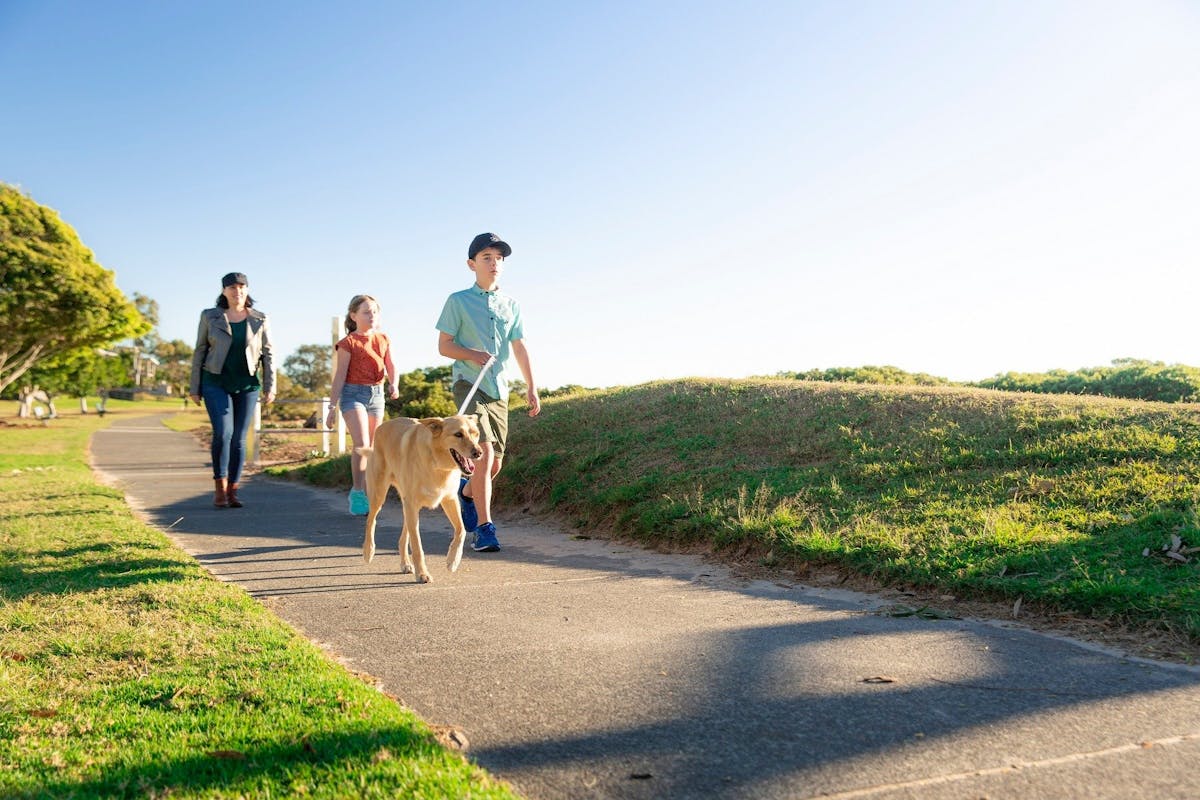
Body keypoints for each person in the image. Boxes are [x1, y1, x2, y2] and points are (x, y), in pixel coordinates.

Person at [436, 232, 540, 552]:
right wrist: (473, 354)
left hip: (500, 389)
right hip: (469, 384)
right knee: (484, 453)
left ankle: (466, 494)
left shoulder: (512, 305)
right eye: (486, 258)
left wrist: (532, 387)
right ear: (472, 264)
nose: (494, 263)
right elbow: (444, 347)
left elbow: (519, 347)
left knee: (493, 466)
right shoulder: (457, 301)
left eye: (498, 258)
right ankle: (484, 528)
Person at [189, 272, 276, 509]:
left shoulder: (260, 318)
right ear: (224, 291)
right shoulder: (210, 316)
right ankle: (220, 486)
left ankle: (233, 490)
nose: (237, 291)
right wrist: (194, 386)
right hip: (215, 382)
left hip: (247, 384)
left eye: (241, 287)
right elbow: (200, 350)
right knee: (223, 433)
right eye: (232, 287)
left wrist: (270, 387)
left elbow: (268, 354)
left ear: (247, 290)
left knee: (238, 438)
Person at [326, 294, 400, 515]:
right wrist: (331, 407)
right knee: (362, 443)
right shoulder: (348, 343)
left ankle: (369, 492)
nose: (372, 316)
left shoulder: (383, 339)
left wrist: (394, 384)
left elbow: (391, 365)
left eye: (375, 312)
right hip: (352, 395)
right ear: (353, 316)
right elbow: (339, 376)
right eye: (366, 312)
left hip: (377, 395)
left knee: (373, 447)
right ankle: (358, 491)